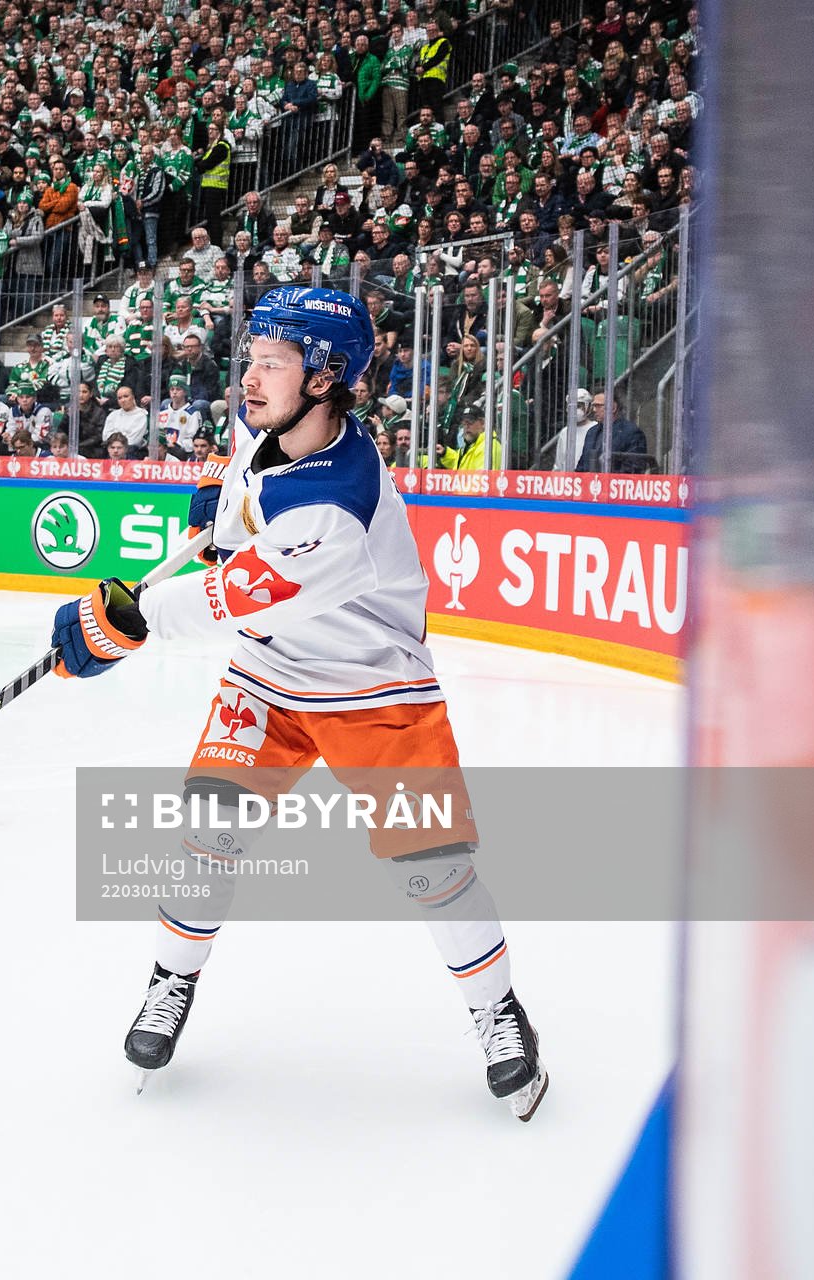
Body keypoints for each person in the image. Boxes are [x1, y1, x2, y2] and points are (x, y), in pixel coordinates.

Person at [49, 287, 546, 1121]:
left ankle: (498, 1010)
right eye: (252, 358)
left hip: (373, 690)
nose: (250, 377)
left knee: (434, 871)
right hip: (267, 682)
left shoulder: (335, 504)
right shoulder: (275, 421)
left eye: (272, 364)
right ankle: (172, 981)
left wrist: (127, 623)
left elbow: (243, 596)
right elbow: (238, 465)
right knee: (207, 840)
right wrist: (219, 495)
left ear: (325, 379)